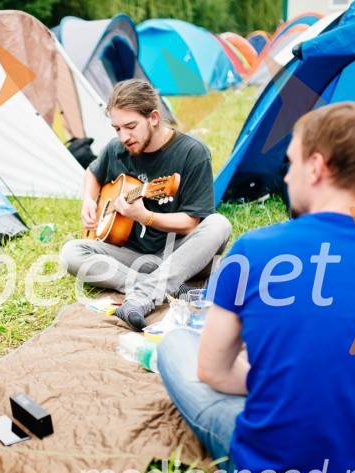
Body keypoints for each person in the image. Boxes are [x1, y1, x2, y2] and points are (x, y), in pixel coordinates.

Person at [157, 102, 355, 473]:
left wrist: (287, 379)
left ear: (316, 167)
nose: (286, 175)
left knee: (175, 344)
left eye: (291, 162)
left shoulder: (253, 251)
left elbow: (214, 372)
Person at [59, 79, 231, 331]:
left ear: (153, 118)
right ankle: (162, 286)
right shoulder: (115, 149)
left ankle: (142, 296)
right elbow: (92, 174)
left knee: (219, 224)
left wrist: (145, 216)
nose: (123, 137)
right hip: (135, 255)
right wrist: (88, 200)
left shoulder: (192, 152)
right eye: (117, 129)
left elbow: (190, 223)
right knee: (71, 252)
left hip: (180, 252)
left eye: (130, 127)